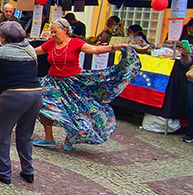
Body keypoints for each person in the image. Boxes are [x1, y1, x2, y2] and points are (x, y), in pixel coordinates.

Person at [33, 18, 141, 151]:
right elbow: (34, 51)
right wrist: (16, 48)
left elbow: (94, 50)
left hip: (73, 82)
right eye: (52, 32)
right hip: (53, 81)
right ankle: (49, 138)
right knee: (42, 103)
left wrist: (113, 47)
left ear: (65, 30)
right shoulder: (50, 44)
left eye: (55, 32)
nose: (53, 35)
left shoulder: (76, 43)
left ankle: (70, 137)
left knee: (74, 111)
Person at [0, 21, 41, 185]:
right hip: (35, 94)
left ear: (3, 37)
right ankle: (28, 171)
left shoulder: (4, 52)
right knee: (26, 135)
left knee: (4, 134)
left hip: (13, 96)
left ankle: (4, 172)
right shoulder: (29, 49)